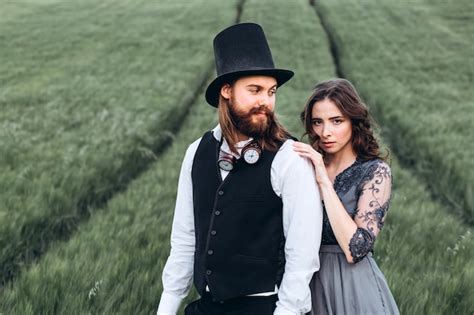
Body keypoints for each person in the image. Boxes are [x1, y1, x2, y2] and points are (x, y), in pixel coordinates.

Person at [157, 23, 323, 315]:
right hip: (206, 307)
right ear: (226, 91)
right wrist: (167, 307)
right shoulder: (196, 152)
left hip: (263, 307)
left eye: (271, 91)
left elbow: (302, 255)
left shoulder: (289, 157)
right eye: (255, 90)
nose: (266, 102)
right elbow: (185, 239)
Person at [293, 79, 399, 314]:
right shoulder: (303, 168)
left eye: (336, 121)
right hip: (305, 289)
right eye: (317, 122)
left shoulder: (375, 172)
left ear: (354, 121)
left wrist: (323, 180)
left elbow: (357, 249)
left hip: (354, 291)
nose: (325, 132)